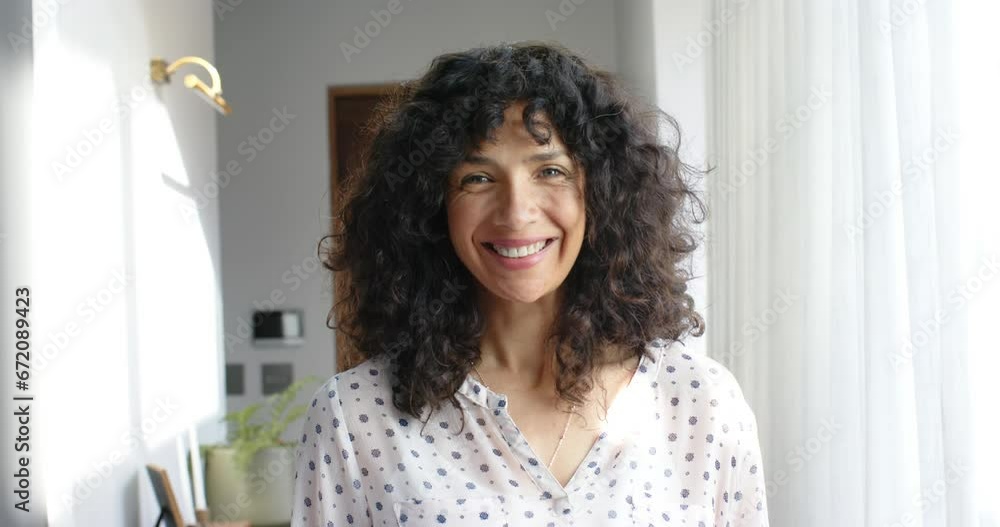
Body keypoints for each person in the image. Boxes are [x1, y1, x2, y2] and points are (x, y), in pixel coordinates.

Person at [291, 41, 768, 526]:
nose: (517, 212)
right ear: (432, 208)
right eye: (477, 177)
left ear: (602, 193)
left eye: (551, 171)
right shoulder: (355, 418)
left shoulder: (699, 402)